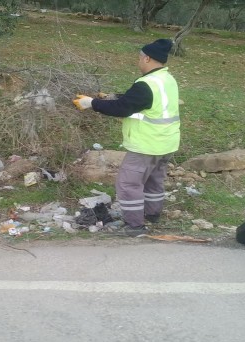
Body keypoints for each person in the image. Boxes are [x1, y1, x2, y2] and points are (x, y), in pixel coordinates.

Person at [73, 38, 180, 237]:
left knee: (128, 184)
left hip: (147, 146)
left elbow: (122, 108)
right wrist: (113, 96)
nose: (138, 62)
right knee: (154, 182)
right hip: (167, 143)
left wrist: (91, 103)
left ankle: (135, 226)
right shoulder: (167, 79)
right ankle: (152, 214)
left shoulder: (146, 84)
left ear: (147, 58)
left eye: (139, 58)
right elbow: (142, 102)